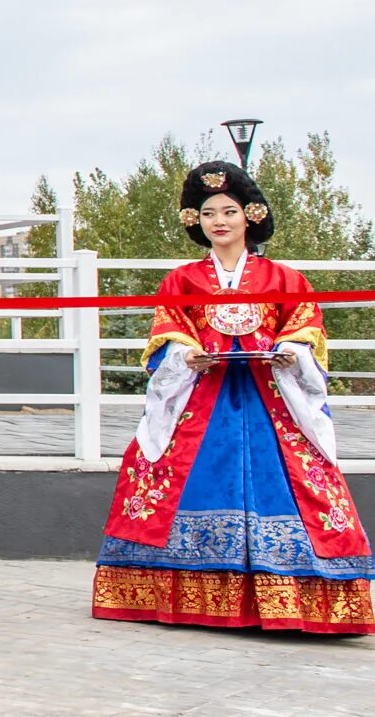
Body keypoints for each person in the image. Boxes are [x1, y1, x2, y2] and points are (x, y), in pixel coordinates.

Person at [92, 162, 371, 634]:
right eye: (207, 214)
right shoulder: (181, 282)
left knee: (299, 482)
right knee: (170, 476)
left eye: (229, 211)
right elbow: (167, 335)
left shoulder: (284, 279)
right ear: (195, 222)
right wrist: (186, 356)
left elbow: (306, 328)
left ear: (250, 216)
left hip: (271, 401)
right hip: (202, 399)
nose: (218, 221)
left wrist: (290, 352)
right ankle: (180, 594)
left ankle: (298, 598)